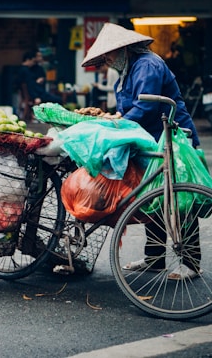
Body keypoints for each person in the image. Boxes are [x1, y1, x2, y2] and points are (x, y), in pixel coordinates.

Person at [82, 22, 201, 280]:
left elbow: (145, 107)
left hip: (172, 136)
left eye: (110, 54)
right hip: (150, 139)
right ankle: (155, 258)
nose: (108, 60)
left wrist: (118, 122)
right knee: (154, 198)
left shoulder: (147, 65)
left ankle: (191, 262)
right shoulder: (129, 69)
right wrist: (117, 118)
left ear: (125, 49)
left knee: (178, 200)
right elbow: (129, 109)